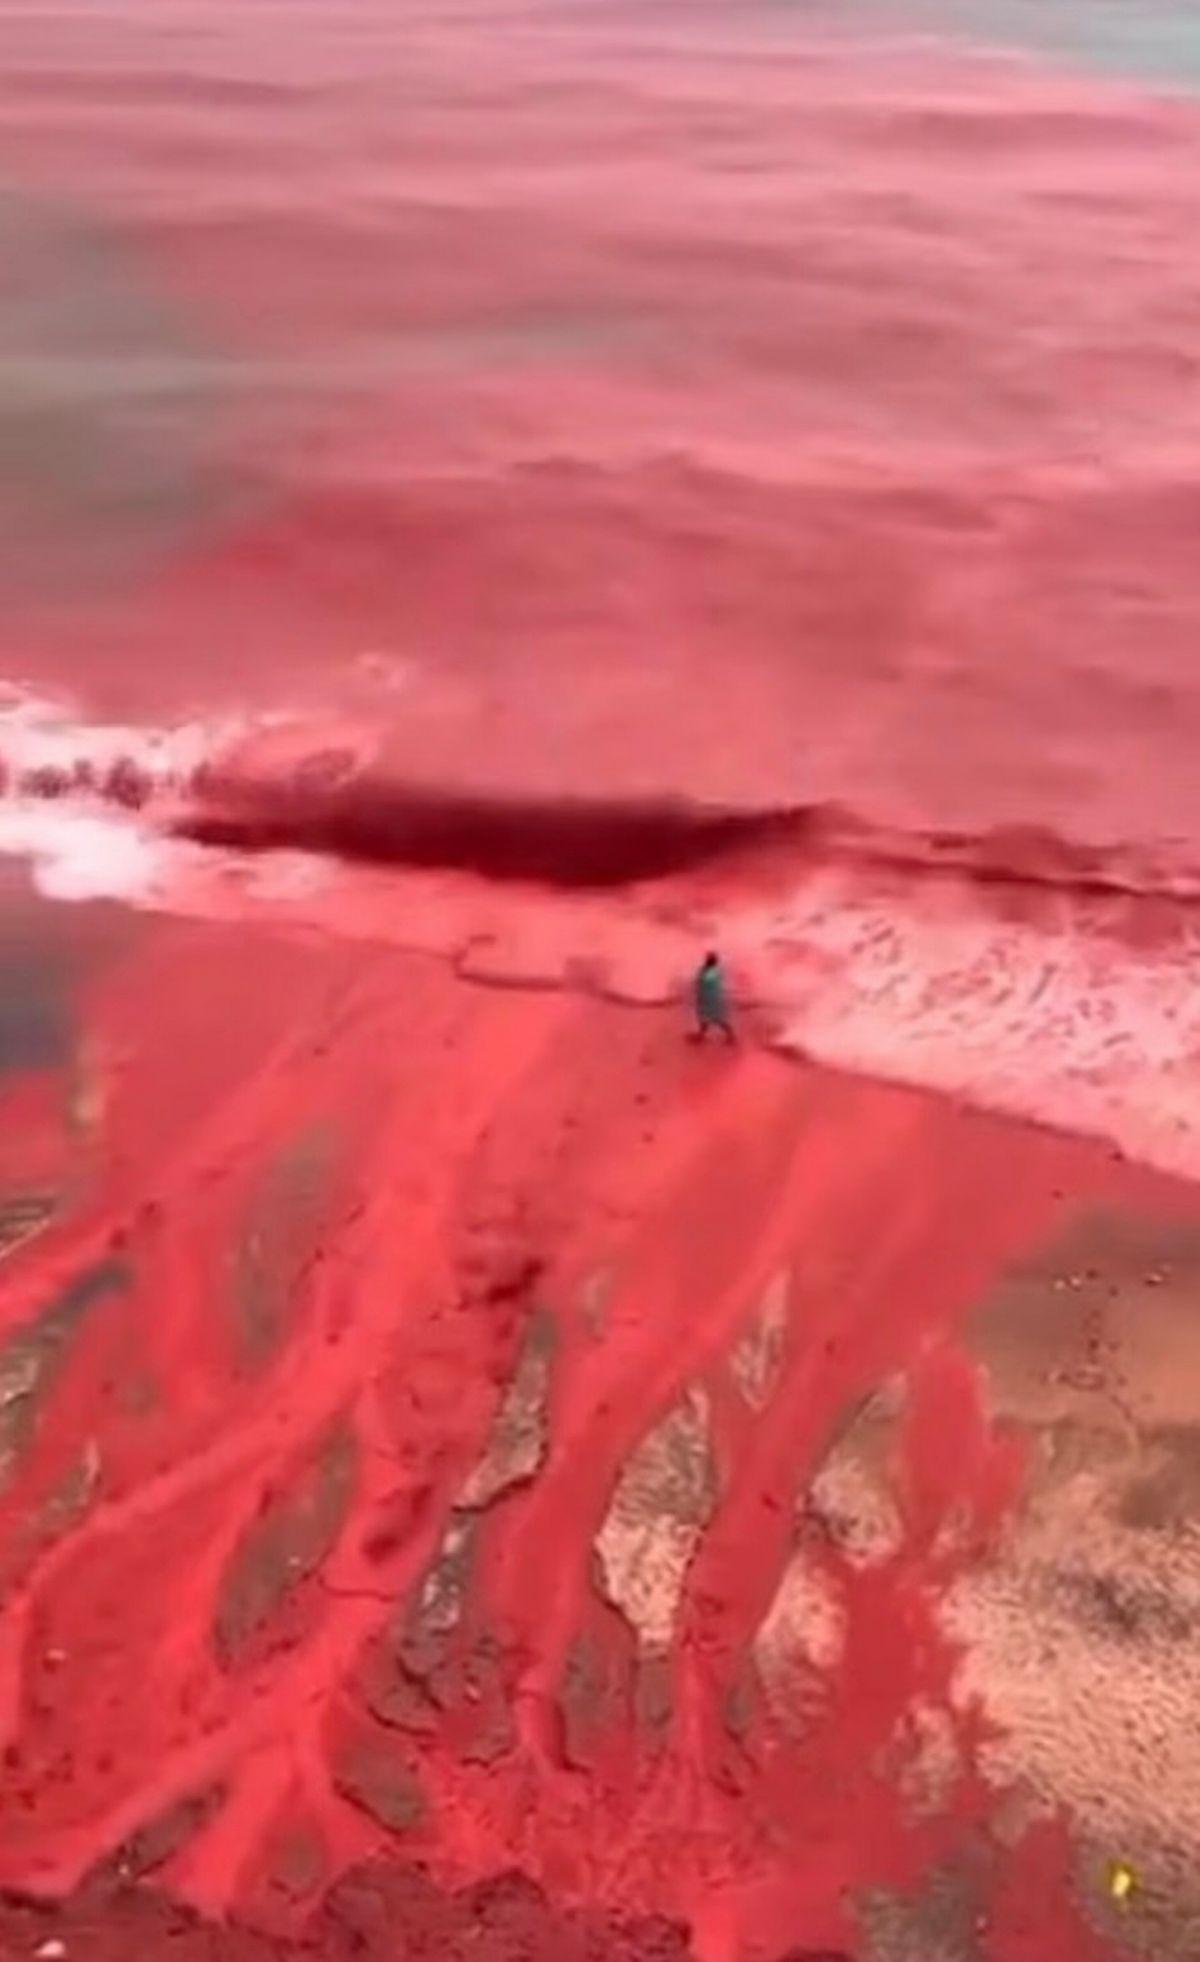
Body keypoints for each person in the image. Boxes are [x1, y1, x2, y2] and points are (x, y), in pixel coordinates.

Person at [692, 950, 735, 1043]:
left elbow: (705, 982)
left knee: (717, 1019)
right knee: (706, 1018)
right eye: (708, 959)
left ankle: (731, 1036)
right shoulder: (707, 970)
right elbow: (700, 983)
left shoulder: (714, 972)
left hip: (712, 999)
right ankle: (701, 1036)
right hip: (708, 998)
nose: (707, 960)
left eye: (709, 959)